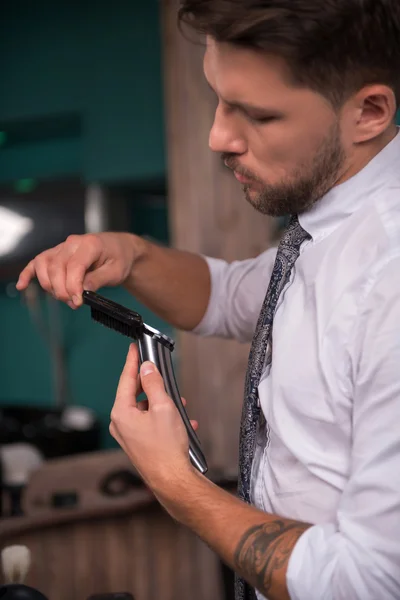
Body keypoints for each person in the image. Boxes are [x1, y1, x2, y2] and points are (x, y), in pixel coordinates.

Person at [16, 1, 400, 599]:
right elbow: (230, 295)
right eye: (218, 97)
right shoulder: (329, 230)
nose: (218, 137)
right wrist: (130, 253)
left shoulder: (389, 276)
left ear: (369, 111)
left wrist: (174, 481)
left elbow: (366, 582)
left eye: (259, 115)